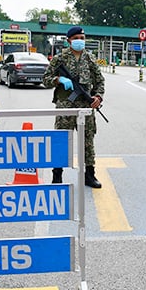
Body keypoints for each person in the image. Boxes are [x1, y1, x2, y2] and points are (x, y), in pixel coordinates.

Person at [43, 26, 105, 188]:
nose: (80, 41)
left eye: (82, 38)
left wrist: (97, 97)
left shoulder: (90, 59)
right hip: (66, 106)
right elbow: (45, 79)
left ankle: (89, 175)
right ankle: (57, 175)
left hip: (86, 107)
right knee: (61, 140)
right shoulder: (60, 58)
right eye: (76, 38)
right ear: (69, 40)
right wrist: (59, 80)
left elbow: (100, 81)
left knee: (88, 141)